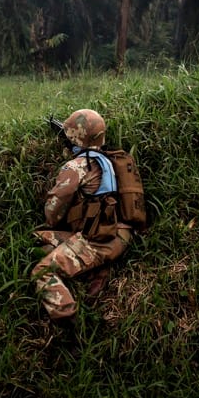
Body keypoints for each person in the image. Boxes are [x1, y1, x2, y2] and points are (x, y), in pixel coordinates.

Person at [31, 108, 134, 321]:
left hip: (98, 241)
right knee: (40, 239)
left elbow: (52, 213)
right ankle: (97, 271)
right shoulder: (112, 160)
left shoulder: (76, 166)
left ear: (76, 139)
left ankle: (68, 318)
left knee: (42, 272)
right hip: (120, 234)